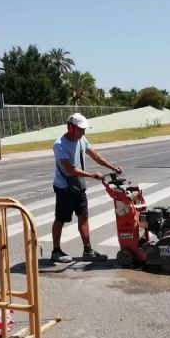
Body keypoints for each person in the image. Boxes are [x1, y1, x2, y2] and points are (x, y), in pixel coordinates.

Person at [51, 113, 123, 263]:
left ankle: (88, 250)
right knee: (61, 219)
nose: (83, 132)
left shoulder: (82, 139)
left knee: (83, 216)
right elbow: (70, 169)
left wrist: (113, 167)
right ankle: (56, 251)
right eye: (80, 129)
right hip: (64, 187)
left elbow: (96, 156)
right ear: (71, 128)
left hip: (78, 185)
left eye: (84, 129)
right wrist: (92, 175)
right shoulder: (59, 144)